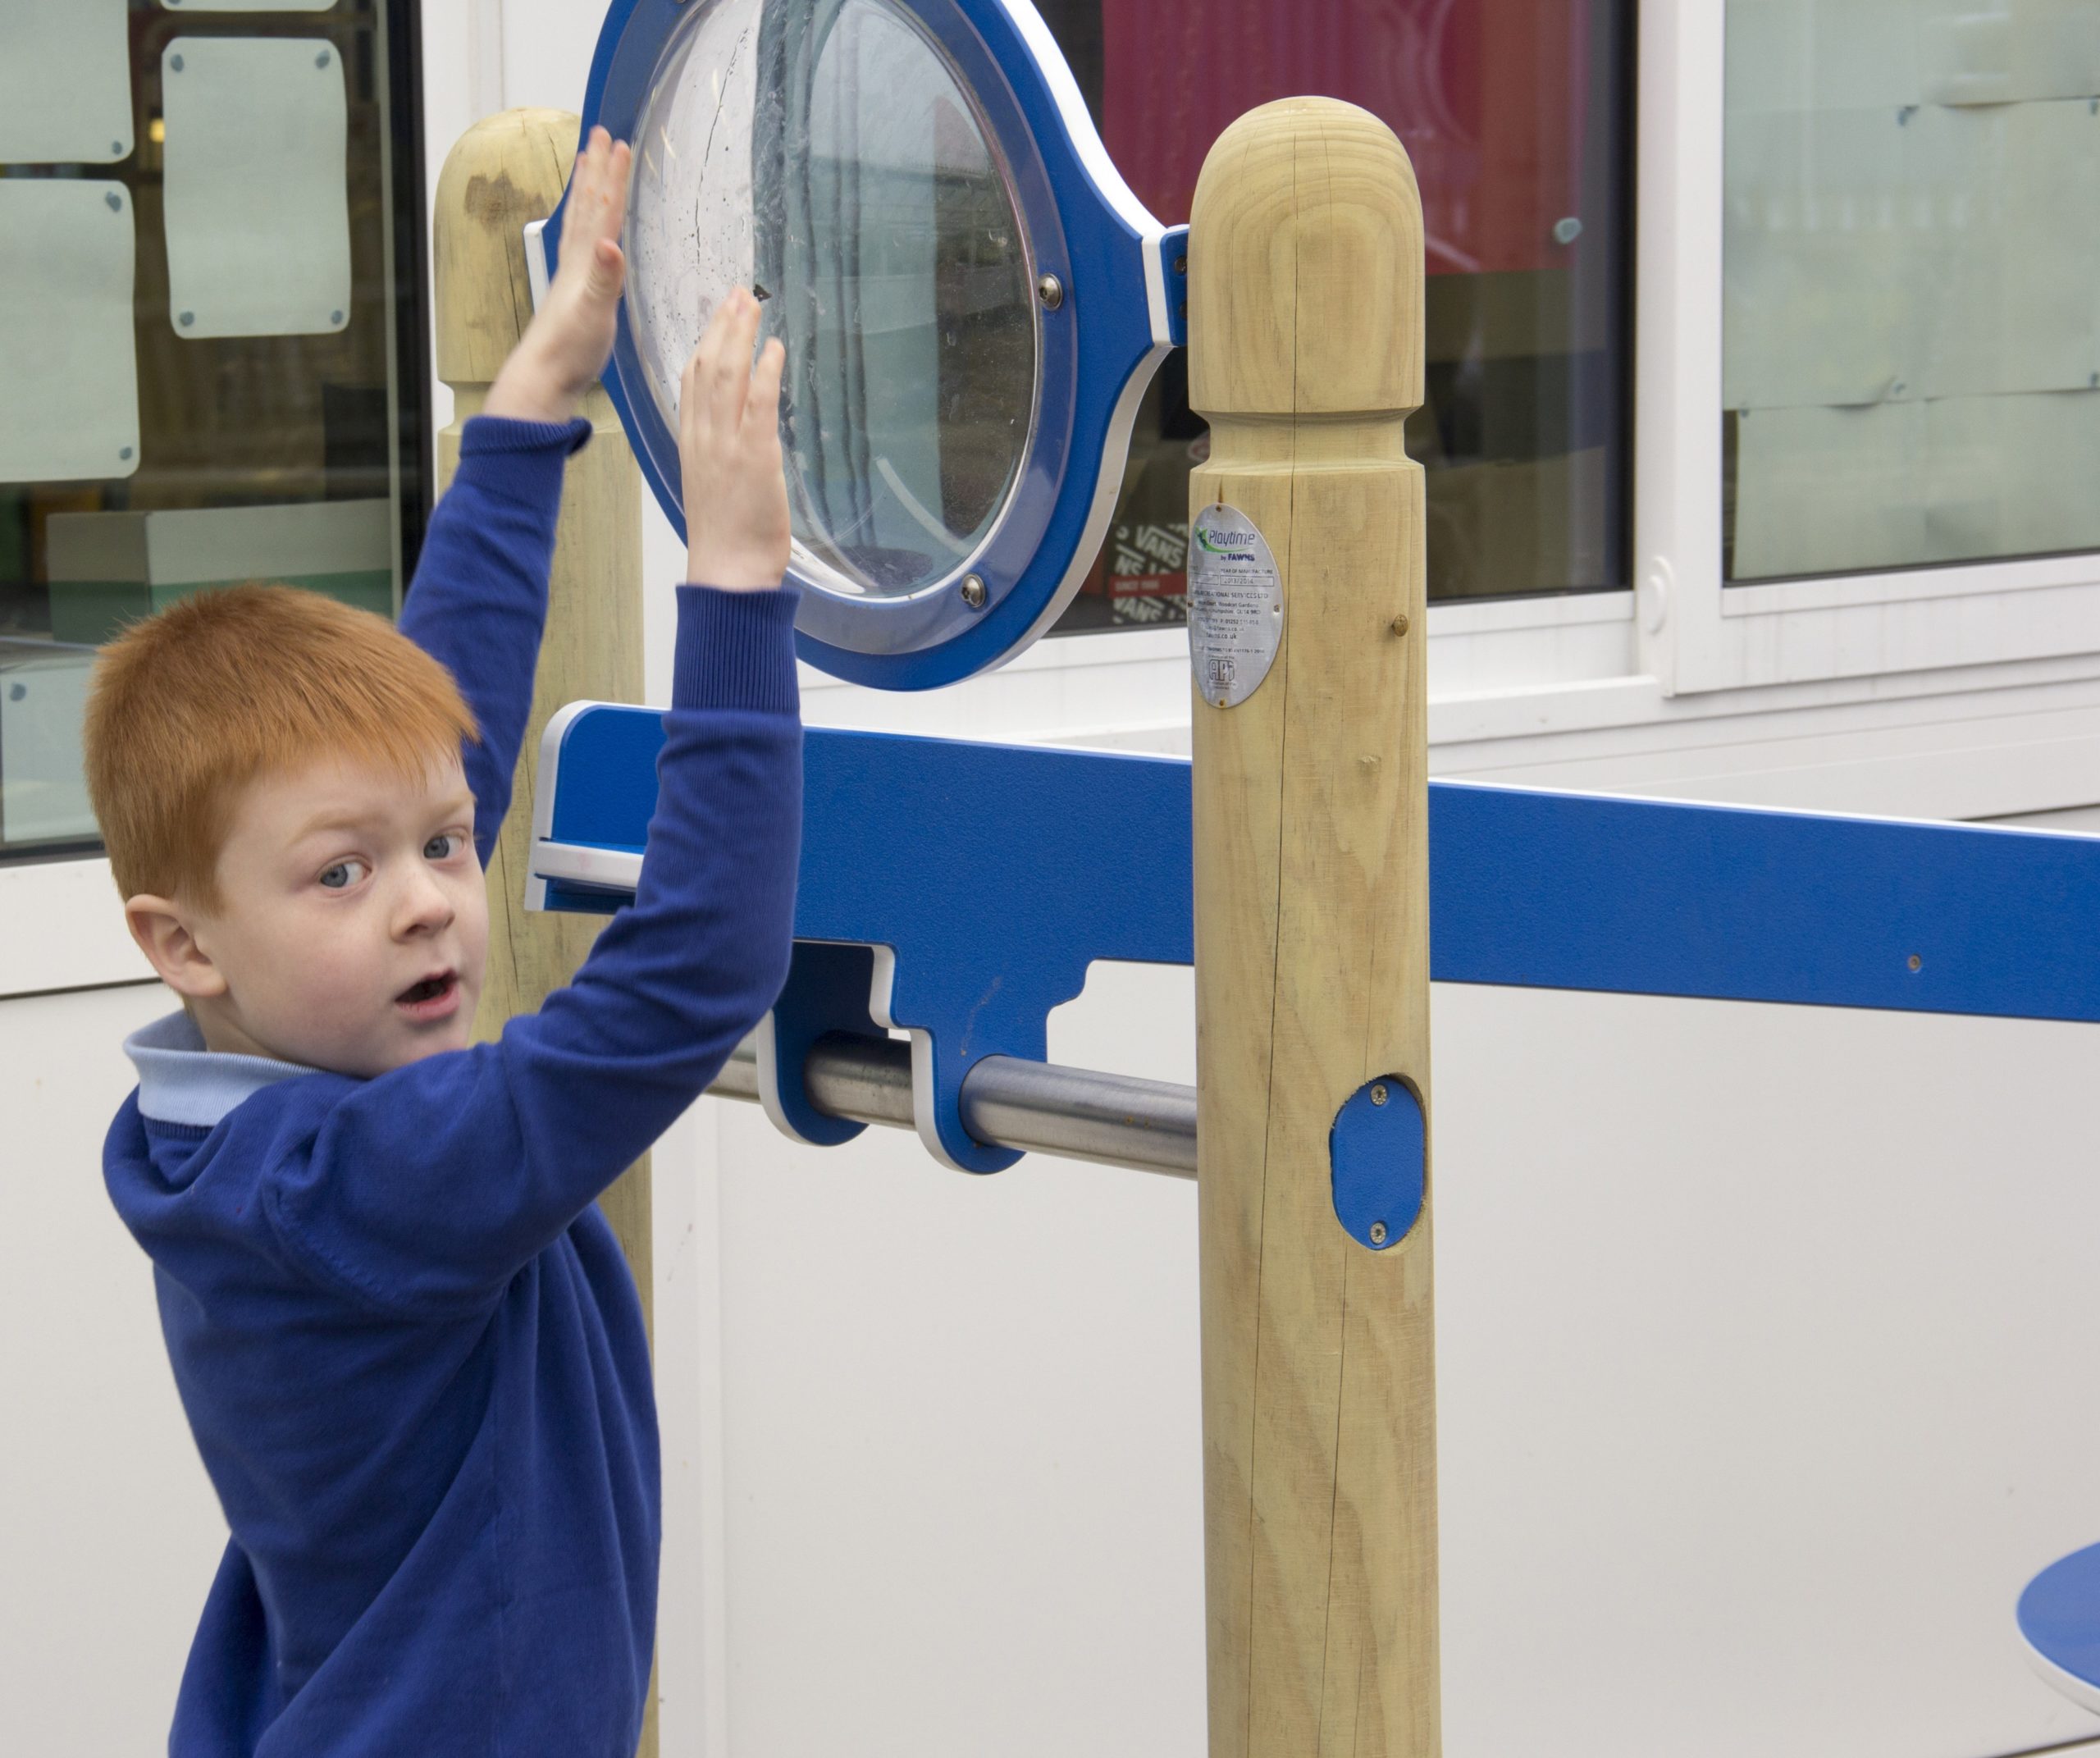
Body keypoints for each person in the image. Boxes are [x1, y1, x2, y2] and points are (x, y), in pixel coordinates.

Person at [83, 128, 796, 1756]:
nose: (422, 897)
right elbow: (689, 975)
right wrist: (738, 580)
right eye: (340, 878)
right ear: (179, 942)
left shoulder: (223, 1130)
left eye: (442, 856)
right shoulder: (361, 1182)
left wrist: (530, 407)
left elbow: (435, 751)